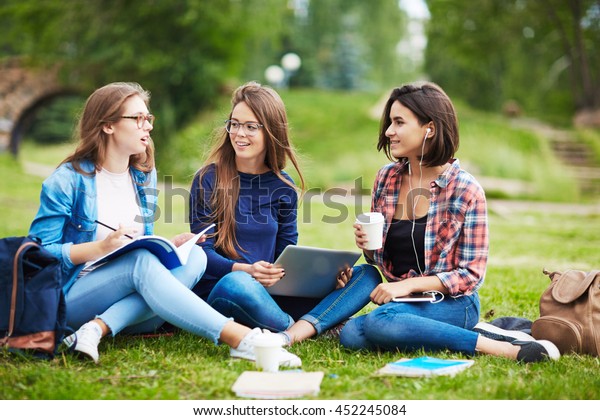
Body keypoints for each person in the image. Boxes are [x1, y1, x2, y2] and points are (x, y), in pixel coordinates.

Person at [28, 82, 300, 367]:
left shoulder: (142, 175)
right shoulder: (67, 181)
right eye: (138, 119)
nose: (148, 126)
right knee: (141, 263)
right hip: (72, 298)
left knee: (193, 255)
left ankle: (97, 327)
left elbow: (137, 246)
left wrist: (171, 246)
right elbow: (36, 259)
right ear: (108, 125)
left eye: (149, 119)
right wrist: (98, 248)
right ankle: (241, 339)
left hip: (133, 308)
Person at [339, 82, 560, 363]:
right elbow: (381, 259)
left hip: (455, 303)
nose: (388, 131)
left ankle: (507, 349)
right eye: (389, 122)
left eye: (398, 122)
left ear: (429, 128)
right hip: (403, 304)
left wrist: (410, 285)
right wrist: (368, 246)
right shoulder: (386, 178)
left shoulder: (465, 189)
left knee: (378, 323)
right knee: (352, 335)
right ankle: (448, 332)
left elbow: (470, 274)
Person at [189, 81, 380, 345]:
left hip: (271, 292)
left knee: (366, 276)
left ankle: (292, 328)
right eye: (234, 123)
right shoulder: (207, 179)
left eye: (250, 126)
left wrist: (326, 281)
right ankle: (299, 329)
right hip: (225, 290)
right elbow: (200, 254)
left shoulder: (283, 186)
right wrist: (247, 270)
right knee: (238, 284)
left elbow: (286, 253)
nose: (238, 133)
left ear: (271, 131)